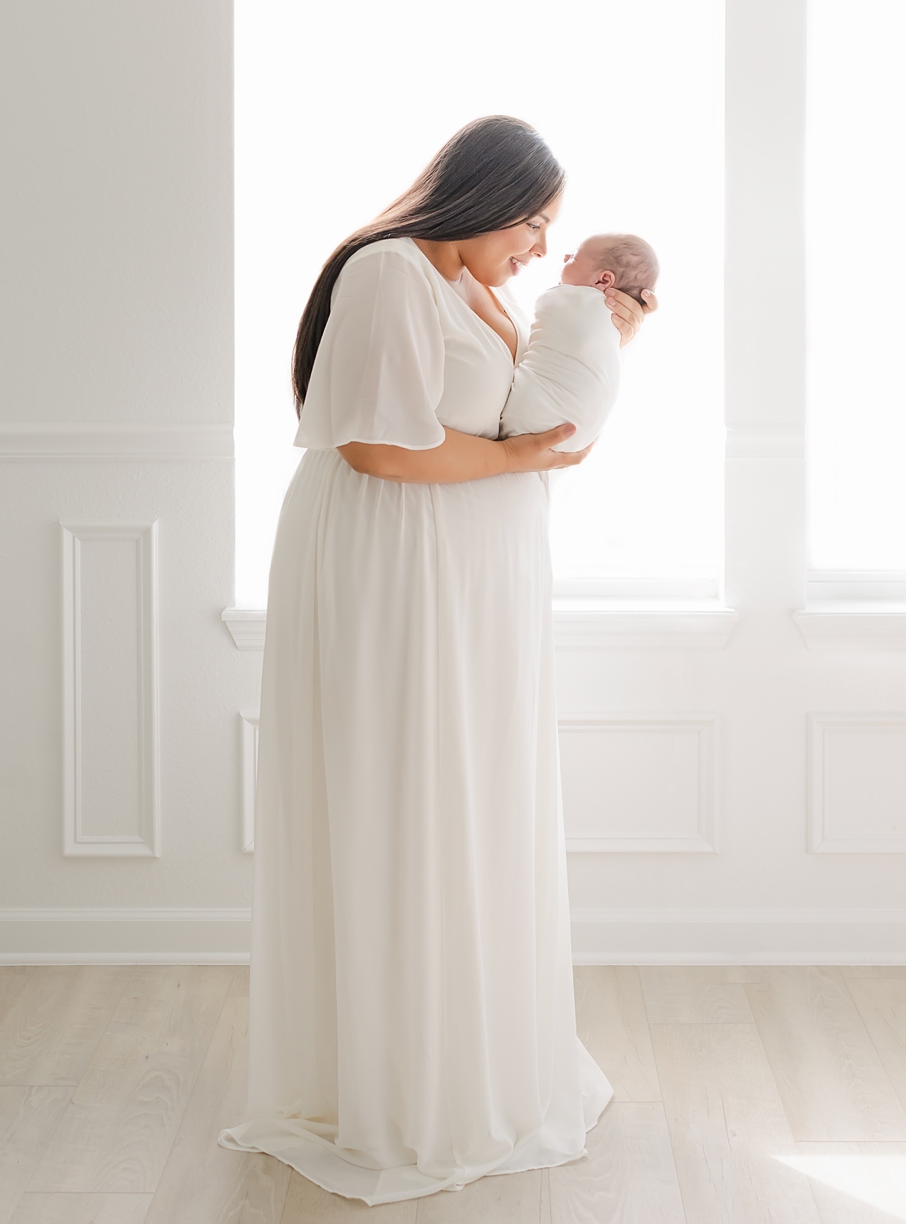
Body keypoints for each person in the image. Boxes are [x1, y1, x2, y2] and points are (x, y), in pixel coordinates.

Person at [219, 116, 656, 1206]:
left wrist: (608, 342)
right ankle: (395, 1083)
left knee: (468, 803)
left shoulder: (480, 295)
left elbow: (546, 435)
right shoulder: (389, 273)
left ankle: (465, 1061)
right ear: (483, 196)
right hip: (394, 570)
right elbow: (379, 444)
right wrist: (511, 457)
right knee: (405, 799)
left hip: (465, 579)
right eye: (534, 222)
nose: (540, 249)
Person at [500, 232, 660, 448]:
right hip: (579, 438)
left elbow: (547, 310)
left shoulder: (564, 301)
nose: (565, 257)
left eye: (574, 256)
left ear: (603, 280)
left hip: (531, 417)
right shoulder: (617, 321)